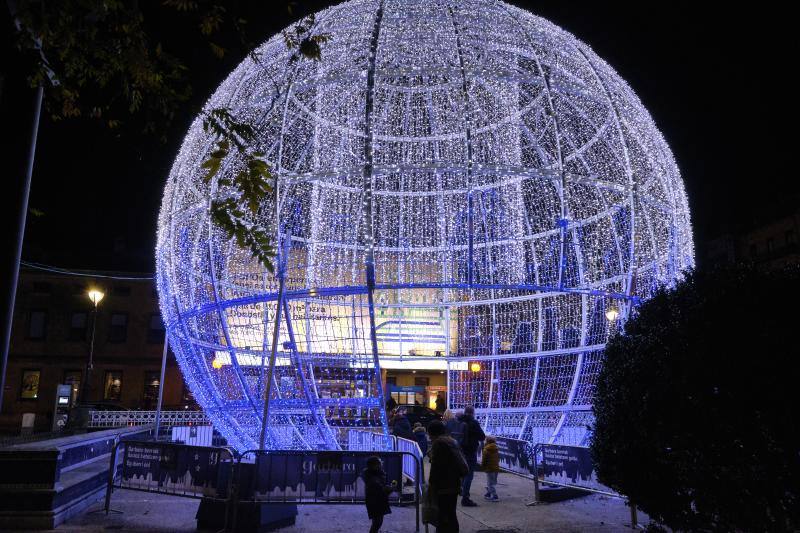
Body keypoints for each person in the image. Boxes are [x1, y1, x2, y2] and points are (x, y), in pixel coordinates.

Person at [427, 420, 468, 532]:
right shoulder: (452, 441)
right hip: (454, 484)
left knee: (443, 516)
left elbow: (436, 468)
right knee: (451, 513)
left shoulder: (439, 444)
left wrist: (431, 485)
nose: (429, 437)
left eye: (430, 434)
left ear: (433, 433)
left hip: (443, 486)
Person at [457, 405, 485, 507]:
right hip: (470, 450)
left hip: (461, 450)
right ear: (473, 412)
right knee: (469, 474)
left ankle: (461, 490)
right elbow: (482, 436)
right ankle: (465, 498)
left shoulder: (460, 421)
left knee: (463, 472)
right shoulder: (473, 423)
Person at [362, 456, 395, 533]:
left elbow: (382, 488)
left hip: (378, 500)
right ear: (373, 466)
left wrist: (388, 488)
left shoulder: (377, 474)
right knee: (377, 522)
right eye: (379, 463)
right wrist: (389, 489)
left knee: (378, 521)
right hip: (374, 501)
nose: (381, 464)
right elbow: (380, 490)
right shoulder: (373, 478)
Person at [481, 435, 500, 501]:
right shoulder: (496, 449)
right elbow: (498, 459)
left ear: (487, 441)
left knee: (490, 483)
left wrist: (483, 467)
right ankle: (488, 493)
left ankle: (495, 496)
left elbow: (484, 460)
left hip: (489, 468)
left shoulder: (486, 450)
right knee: (492, 482)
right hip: (496, 468)